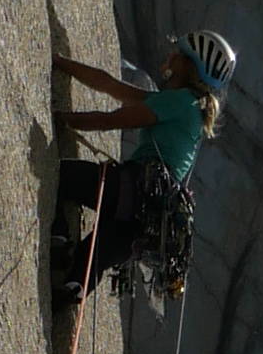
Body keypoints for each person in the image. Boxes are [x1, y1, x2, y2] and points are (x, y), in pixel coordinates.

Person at [50, 28, 237, 308]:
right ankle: (72, 288)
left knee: (62, 176)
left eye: (180, 54)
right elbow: (111, 86)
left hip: (132, 188)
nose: (171, 56)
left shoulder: (181, 102)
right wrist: (62, 62)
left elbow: (111, 120)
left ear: (189, 66)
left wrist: (60, 118)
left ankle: (59, 239)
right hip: (147, 223)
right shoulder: (191, 108)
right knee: (94, 257)